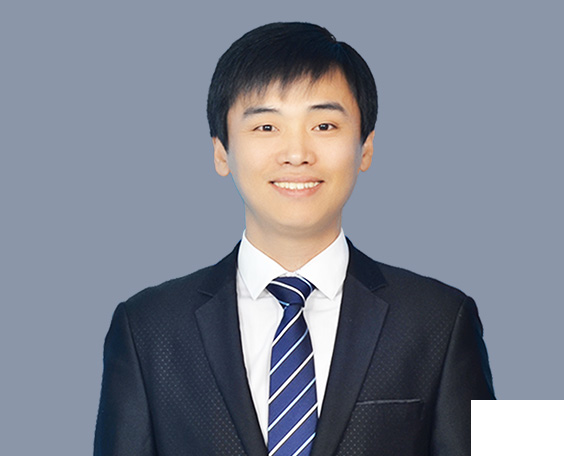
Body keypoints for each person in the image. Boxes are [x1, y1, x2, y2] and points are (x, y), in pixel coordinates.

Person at [94, 22, 494, 456]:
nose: (297, 153)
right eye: (266, 127)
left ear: (365, 148)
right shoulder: (147, 328)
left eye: (324, 125)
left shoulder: (440, 320)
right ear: (221, 151)